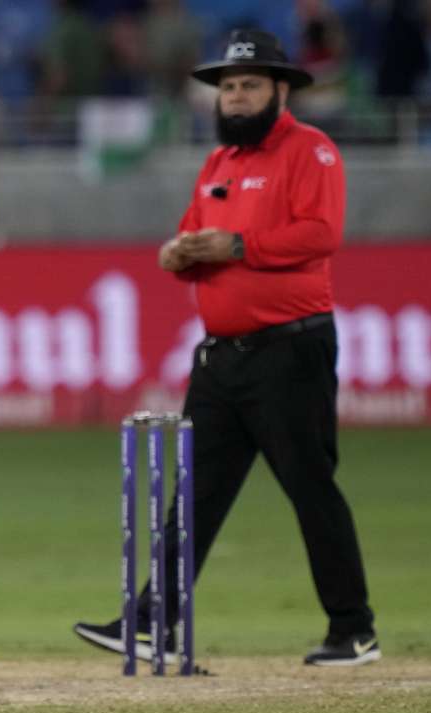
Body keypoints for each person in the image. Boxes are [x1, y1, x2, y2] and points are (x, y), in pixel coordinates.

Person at [74, 29, 379, 667]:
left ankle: (353, 630)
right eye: (229, 87)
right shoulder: (219, 163)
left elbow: (321, 234)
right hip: (220, 359)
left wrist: (238, 246)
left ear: (281, 91)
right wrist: (177, 254)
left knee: (310, 487)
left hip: (289, 352)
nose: (236, 97)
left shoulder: (311, 151)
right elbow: (193, 236)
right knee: (194, 496)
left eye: (250, 86)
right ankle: (153, 623)